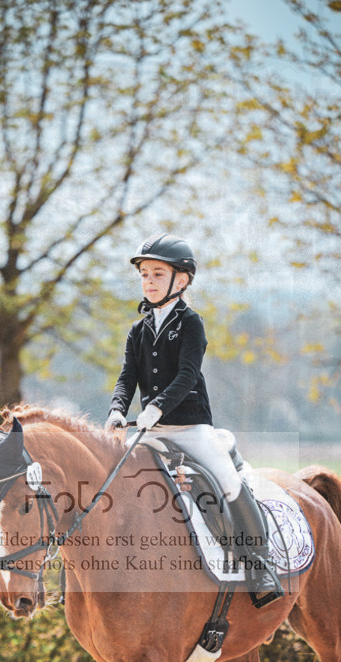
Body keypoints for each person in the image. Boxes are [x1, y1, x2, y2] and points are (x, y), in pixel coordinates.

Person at [105, 233, 283, 604]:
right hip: (150, 432)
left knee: (229, 482)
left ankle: (259, 563)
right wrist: (118, 410)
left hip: (190, 427)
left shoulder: (191, 324)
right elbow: (127, 377)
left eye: (157, 274)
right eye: (144, 275)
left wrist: (156, 407)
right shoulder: (138, 330)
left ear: (181, 280)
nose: (148, 281)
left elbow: (187, 375)